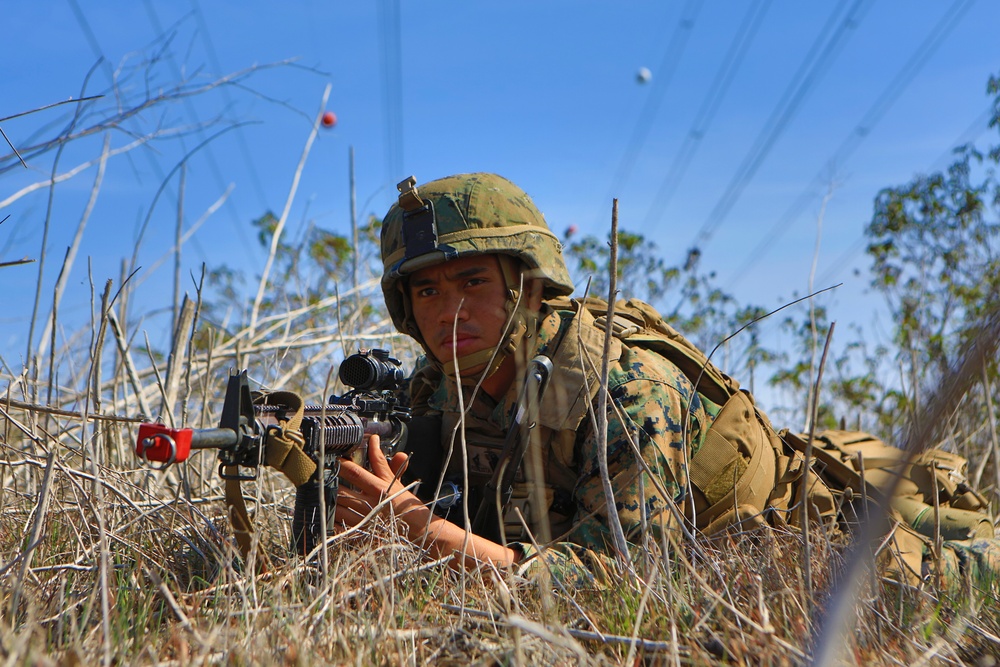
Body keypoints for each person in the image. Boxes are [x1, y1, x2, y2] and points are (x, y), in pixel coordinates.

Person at [332, 172, 781, 574]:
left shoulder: (626, 393)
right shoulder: (435, 390)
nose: (450, 312)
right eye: (427, 291)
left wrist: (422, 530)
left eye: (473, 283)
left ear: (530, 289)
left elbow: (626, 577)